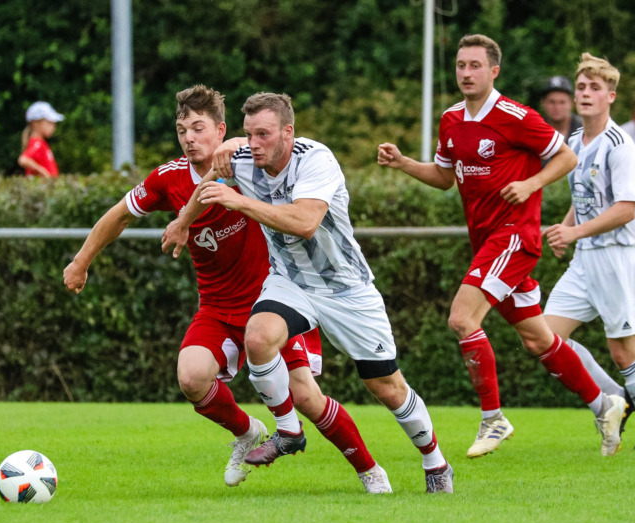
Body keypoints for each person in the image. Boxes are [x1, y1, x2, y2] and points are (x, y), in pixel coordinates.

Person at [63, 85, 392, 493]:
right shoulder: (168, 178)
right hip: (217, 308)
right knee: (191, 377)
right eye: (182, 129)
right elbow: (119, 214)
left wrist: (241, 143)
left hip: (272, 303)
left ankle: (369, 470)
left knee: (307, 397)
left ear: (220, 131)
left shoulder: (249, 168)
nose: (189, 138)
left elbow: (278, 161)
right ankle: (247, 432)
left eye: (199, 128)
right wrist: (81, 261)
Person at [187, 92, 455, 493]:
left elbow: (305, 221)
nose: (254, 143)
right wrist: (181, 222)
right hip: (291, 280)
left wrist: (239, 200)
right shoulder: (243, 159)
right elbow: (208, 184)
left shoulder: (316, 159)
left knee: (388, 388)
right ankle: (288, 431)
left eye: (264, 134)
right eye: (249, 135)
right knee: (258, 337)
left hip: (346, 288)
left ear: (288, 133)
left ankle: (435, 462)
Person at [376, 34, 627, 459]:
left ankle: (493, 418)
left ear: (494, 71)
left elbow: (565, 156)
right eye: (460, 65)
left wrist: (531, 183)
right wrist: (403, 163)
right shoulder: (451, 119)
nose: (466, 73)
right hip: (486, 242)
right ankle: (605, 404)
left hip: (515, 236)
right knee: (537, 339)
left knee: (462, 318)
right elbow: (443, 178)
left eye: (475, 65)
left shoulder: (516, 115)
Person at [543, 53, 635, 450]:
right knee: (544, 336)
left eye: (594, 88)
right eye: (581, 87)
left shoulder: (621, 145)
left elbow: (625, 209)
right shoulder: (574, 141)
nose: (585, 94)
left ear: (610, 96)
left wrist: (574, 232)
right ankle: (616, 398)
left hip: (618, 257)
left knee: (623, 350)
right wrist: (567, 227)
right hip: (586, 260)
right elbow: (583, 197)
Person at [538, 75, 583, 168]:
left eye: (562, 102)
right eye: (552, 102)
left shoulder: (584, 129)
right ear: (543, 103)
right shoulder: (535, 129)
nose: (557, 107)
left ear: (571, 103)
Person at [19, 101, 62, 178]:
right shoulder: (37, 144)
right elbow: (23, 159)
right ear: (35, 123)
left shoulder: (41, 143)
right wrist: (43, 172)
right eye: (49, 122)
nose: (54, 126)